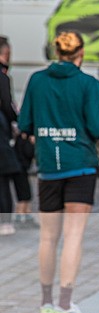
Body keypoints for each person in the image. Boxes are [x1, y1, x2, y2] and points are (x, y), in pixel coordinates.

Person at [18, 31, 99, 313]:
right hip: (80, 166)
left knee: (48, 237)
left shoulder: (37, 80)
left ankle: (46, 303)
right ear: (81, 53)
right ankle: (65, 304)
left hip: (49, 165)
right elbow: (98, 128)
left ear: (55, 51)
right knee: (73, 236)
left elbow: (25, 122)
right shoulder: (88, 83)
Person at [0, 36, 35, 233]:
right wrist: (19, 124)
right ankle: (6, 221)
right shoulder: (3, 77)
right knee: (5, 176)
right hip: (2, 136)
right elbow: (8, 105)